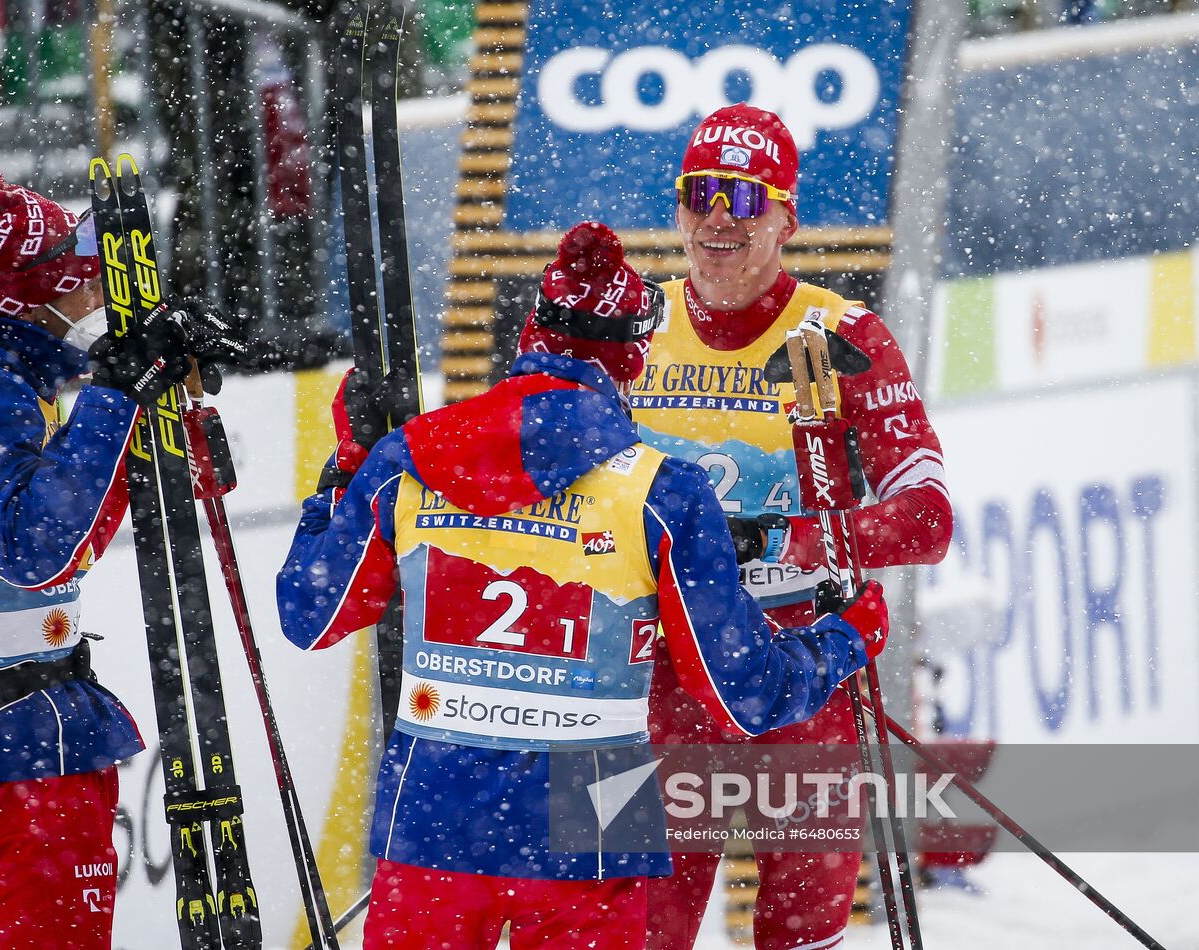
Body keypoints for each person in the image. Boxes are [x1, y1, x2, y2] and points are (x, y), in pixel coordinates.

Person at [276, 221, 892, 949]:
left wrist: (344, 476)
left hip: (435, 817)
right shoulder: (665, 494)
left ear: (528, 334)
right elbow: (744, 695)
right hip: (595, 821)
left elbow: (309, 617)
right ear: (633, 361)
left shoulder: (406, 459)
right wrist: (845, 637)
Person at [0, 156, 216, 950]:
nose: (98, 302)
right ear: (40, 298)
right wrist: (115, 397)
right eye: (85, 286)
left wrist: (153, 410)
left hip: (29, 738)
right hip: (16, 752)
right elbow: (33, 546)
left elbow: (77, 530)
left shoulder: (6, 384)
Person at [631, 104, 954, 950]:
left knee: (802, 938)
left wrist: (802, 542)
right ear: (676, 209)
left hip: (802, 673)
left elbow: (926, 518)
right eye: (700, 193)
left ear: (786, 218)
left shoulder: (841, 335)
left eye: (744, 197)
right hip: (657, 679)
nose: (718, 218)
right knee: (638, 936)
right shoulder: (632, 331)